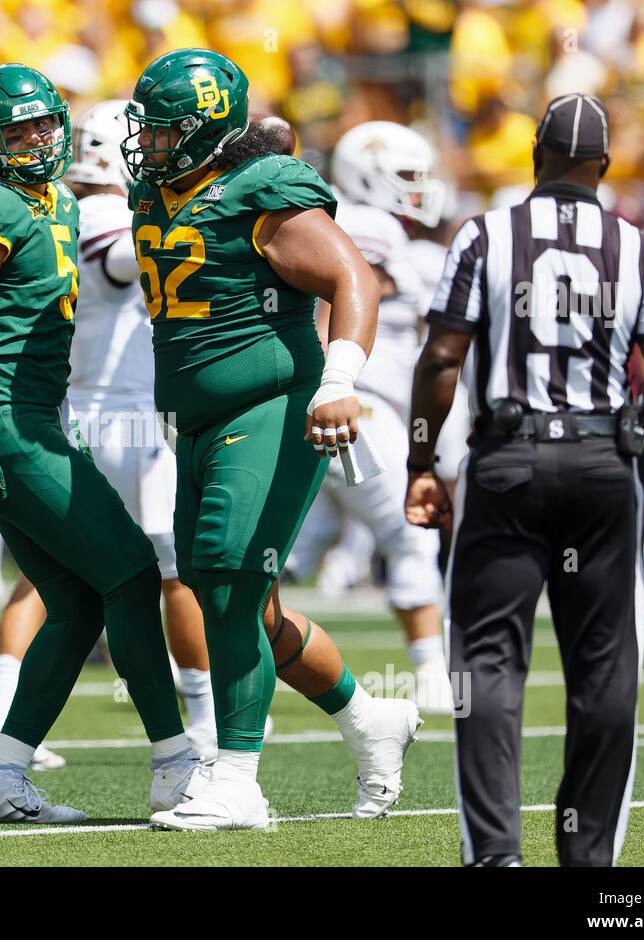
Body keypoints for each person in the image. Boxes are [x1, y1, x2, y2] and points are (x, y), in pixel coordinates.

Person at [405, 94, 644, 866]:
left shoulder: (485, 236)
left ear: (533, 154)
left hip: (509, 464)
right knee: (607, 668)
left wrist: (422, 460)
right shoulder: (641, 248)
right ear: (605, 168)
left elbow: (442, 358)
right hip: (601, 465)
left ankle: (496, 856)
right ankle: (586, 861)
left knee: (485, 668)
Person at [121, 50, 420, 831]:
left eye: (167, 129)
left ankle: (239, 779)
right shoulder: (160, 187)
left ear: (209, 126)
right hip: (194, 419)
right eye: (147, 128)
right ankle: (368, 717)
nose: (150, 142)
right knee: (244, 607)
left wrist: (340, 378)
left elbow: (355, 278)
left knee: (226, 581)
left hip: (273, 405)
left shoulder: (262, 190)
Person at [0, 64, 200, 824]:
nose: (35, 140)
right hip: (3, 418)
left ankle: (2, 775)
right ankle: (177, 764)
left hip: (39, 415)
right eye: (16, 130)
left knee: (77, 603)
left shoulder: (61, 203)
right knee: (134, 570)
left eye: (44, 125)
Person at [0, 100, 218, 768]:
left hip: (63, 411)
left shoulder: (50, 211)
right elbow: (119, 265)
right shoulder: (115, 218)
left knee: (43, 578)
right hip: (128, 419)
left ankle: (1, 717)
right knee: (171, 573)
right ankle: (203, 721)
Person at [290, 121, 455, 715]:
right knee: (411, 538)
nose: (419, 190)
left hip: (341, 409)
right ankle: (432, 673)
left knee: (283, 559)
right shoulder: (369, 225)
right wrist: (333, 384)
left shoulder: (359, 224)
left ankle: (204, 659)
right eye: (407, 177)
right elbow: (336, 300)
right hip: (362, 409)